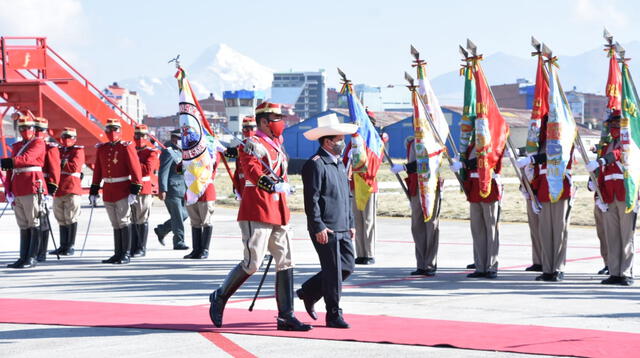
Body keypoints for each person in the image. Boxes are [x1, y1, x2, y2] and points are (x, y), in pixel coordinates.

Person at [208, 101, 311, 332]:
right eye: (276, 119)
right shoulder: (252, 144)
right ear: (264, 122)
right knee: (252, 263)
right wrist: (273, 186)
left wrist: (284, 186)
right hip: (258, 208)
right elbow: (253, 172)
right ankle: (220, 296)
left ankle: (286, 315)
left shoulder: (276, 144)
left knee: (286, 261)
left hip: (278, 210)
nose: (280, 123)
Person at [298, 113, 358, 328]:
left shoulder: (339, 164)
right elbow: (311, 200)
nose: (343, 143)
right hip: (326, 228)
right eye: (339, 139)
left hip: (342, 225)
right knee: (332, 272)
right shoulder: (316, 164)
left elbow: (346, 195)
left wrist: (351, 222)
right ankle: (333, 314)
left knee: (347, 267)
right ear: (327, 141)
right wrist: (318, 226)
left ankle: (309, 291)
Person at [518, 124, 576, 282]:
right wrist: (533, 192)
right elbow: (537, 170)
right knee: (545, 231)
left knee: (559, 231)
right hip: (543, 188)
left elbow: (555, 155)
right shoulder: (540, 143)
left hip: (560, 187)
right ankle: (547, 269)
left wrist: (533, 158)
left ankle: (558, 268)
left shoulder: (564, 138)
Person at [587, 111, 636, 286]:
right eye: (611, 124)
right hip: (608, 196)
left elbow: (617, 154)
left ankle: (626, 272)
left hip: (625, 195)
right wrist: (598, 192)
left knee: (626, 236)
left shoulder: (628, 143)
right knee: (612, 236)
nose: (613, 127)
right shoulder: (607, 145)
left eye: (616, 124)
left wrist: (600, 161)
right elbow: (603, 172)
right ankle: (614, 272)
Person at [89, 118, 143, 264]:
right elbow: (98, 171)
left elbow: (135, 169)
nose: (112, 132)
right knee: (115, 223)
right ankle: (117, 253)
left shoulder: (126, 147)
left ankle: (125, 253)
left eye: (115, 129)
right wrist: (94, 189)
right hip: (108, 190)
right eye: (109, 130)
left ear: (120, 131)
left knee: (123, 221)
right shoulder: (102, 148)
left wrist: (134, 189)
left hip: (122, 189)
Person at [391, 136, 442, 276]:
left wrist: (405, 167)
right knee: (417, 226)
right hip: (415, 186)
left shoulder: (433, 141)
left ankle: (430, 264)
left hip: (430, 186)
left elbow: (426, 162)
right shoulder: (412, 141)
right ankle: (421, 264)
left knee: (430, 225)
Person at [2, 115, 46, 268]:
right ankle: (23, 256)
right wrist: (8, 188)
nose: (25, 130)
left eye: (28, 127)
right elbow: (10, 170)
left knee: (33, 221)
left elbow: (28, 158)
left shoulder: (39, 142)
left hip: (31, 185)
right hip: (18, 187)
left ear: (33, 129)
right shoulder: (17, 145)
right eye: (22, 128)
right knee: (23, 223)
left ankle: (32, 257)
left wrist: (9, 162)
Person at [451, 148, 502, 279]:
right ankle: (480, 266)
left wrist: (464, 164)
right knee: (477, 230)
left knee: (491, 230)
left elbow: (487, 159)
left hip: (489, 186)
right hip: (474, 188)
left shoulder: (493, 139)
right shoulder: (472, 143)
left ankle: (491, 266)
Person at [345, 110, 379, 265]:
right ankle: (361, 253)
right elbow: (345, 160)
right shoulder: (352, 143)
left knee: (368, 221)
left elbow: (375, 162)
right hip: (354, 185)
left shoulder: (374, 142)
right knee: (357, 220)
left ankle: (370, 253)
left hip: (368, 185)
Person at [50, 127, 85, 256]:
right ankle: (63, 245)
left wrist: (59, 162)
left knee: (71, 217)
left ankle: (70, 246)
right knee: (61, 218)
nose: (66, 139)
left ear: (74, 139)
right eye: (64, 137)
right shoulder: (58, 150)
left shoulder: (78, 150)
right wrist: (60, 162)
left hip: (71, 188)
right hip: (59, 188)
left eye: (69, 137)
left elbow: (74, 166)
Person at [154, 129, 189, 250]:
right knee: (178, 217)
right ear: (173, 138)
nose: (180, 141)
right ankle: (179, 241)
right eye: (178, 139)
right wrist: (162, 189)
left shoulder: (181, 151)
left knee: (184, 215)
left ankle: (162, 230)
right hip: (172, 189)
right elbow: (163, 171)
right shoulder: (168, 151)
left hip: (182, 189)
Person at [33, 117, 61, 262]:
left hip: (44, 188)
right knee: (31, 221)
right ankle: (33, 249)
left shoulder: (50, 148)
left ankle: (41, 251)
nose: (38, 132)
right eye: (36, 129)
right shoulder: (30, 146)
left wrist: (50, 192)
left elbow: (55, 171)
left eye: (41, 130)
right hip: (31, 186)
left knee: (43, 221)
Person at [130, 124, 159, 257]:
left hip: (143, 188)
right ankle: (132, 246)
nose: (140, 138)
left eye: (143, 135)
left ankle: (141, 247)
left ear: (147, 137)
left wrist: (132, 163)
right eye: (137, 135)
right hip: (130, 188)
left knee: (141, 218)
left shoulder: (151, 151)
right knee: (132, 218)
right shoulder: (131, 149)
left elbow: (147, 169)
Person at [224, 116, 257, 200]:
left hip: (256, 186)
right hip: (243, 186)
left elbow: (240, 152)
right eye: (246, 129)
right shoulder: (241, 145)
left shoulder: (260, 144)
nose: (249, 131)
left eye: (251, 128)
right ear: (242, 131)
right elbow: (238, 170)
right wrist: (235, 186)